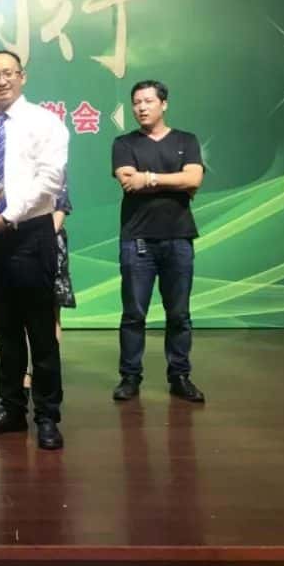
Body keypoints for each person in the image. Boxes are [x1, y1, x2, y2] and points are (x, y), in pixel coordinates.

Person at [0, 50, 68, 451]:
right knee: (4, 331)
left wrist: (7, 217)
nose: (1, 81)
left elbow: (51, 181)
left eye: (8, 73)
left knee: (40, 331)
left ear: (22, 77)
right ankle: (11, 409)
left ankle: (47, 416)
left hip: (31, 234)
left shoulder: (46, 122)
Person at [111, 80, 205, 404]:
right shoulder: (124, 143)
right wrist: (175, 182)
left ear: (163, 104)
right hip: (137, 239)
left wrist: (149, 178)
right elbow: (129, 182)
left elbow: (194, 178)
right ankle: (130, 377)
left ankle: (180, 376)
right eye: (136, 102)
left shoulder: (186, 140)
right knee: (133, 314)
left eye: (148, 101)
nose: (141, 107)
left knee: (179, 314)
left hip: (179, 238)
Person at [25, 178, 75, 389]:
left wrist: (41, 239)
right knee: (22, 314)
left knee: (51, 314)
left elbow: (60, 211)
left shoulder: (55, 172)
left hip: (50, 246)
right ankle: (25, 369)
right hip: (19, 245)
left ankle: (44, 372)